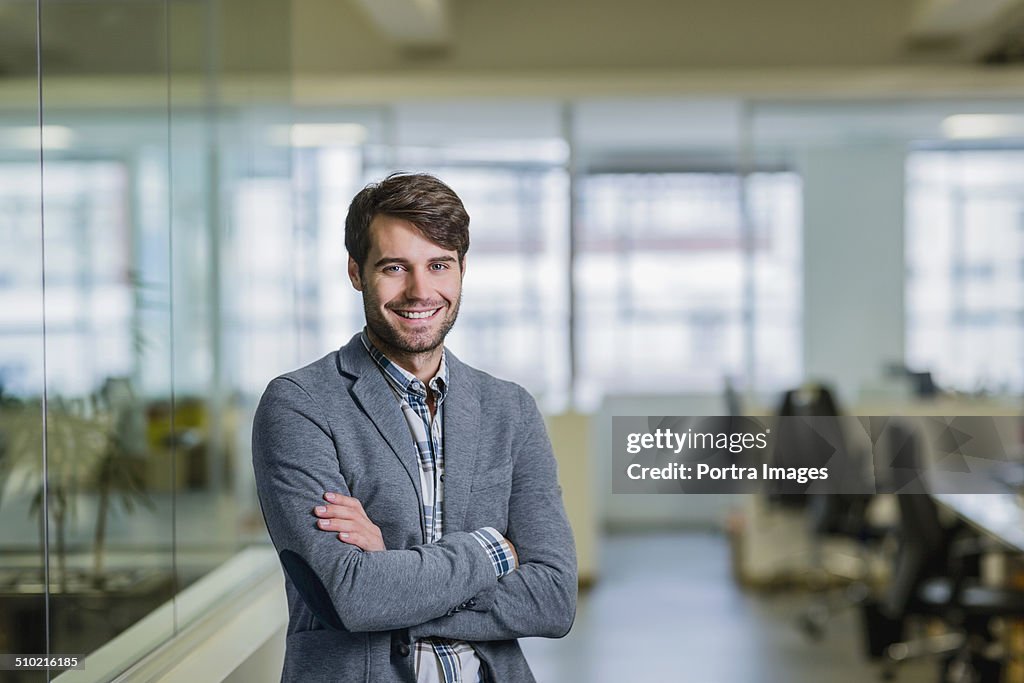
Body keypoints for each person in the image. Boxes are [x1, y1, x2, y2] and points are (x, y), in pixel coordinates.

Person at [252, 172, 577, 683]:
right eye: (395, 267)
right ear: (357, 272)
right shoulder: (299, 405)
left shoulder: (509, 410)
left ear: (462, 270)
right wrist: (492, 550)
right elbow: (353, 596)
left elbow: (554, 599)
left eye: (439, 265)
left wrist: (394, 571)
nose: (420, 290)